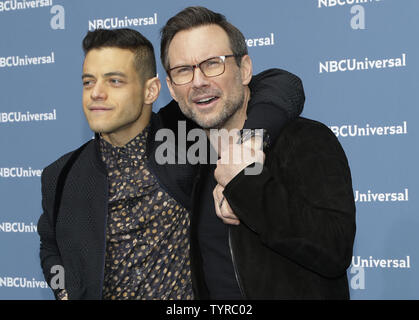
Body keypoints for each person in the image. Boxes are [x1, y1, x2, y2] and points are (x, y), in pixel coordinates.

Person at [37, 28, 304, 299]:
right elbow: (50, 243)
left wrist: (250, 141)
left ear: (151, 90)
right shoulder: (60, 174)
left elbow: (280, 83)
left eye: (114, 81)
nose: (96, 93)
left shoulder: (186, 135)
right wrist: (64, 288)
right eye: (88, 82)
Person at [161, 6, 356, 299]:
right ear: (171, 88)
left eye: (212, 63)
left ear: (246, 69)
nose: (199, 81)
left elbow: (334, 249)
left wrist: (244, 181)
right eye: (183, 71)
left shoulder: (304, 140)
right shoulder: (187, 154)